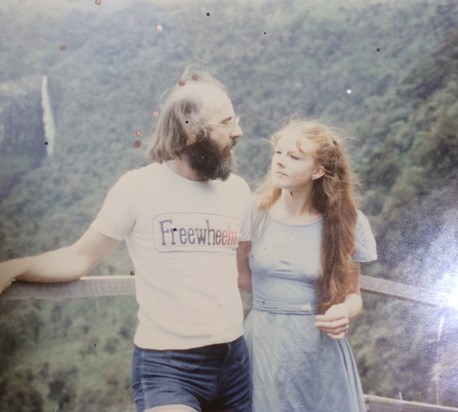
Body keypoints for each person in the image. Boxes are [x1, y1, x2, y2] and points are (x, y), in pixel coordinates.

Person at [0, 70, 252, 412]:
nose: (238, 131)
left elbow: (244, 271)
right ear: (192, 131)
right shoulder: (137, 188)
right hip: (168, 365)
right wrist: (17, 267)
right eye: (226, 123)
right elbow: (79, 257)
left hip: (234, 360)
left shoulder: (237, 191)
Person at [237, 119, 377, 411]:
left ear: (318, 170)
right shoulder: (254, 212)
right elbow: (240, 277)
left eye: (294, 157)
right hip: (262, 343)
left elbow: (353, 295)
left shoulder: (347, 223)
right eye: (278, 152)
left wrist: (343, 310)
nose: (280, 162)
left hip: (318, 346)